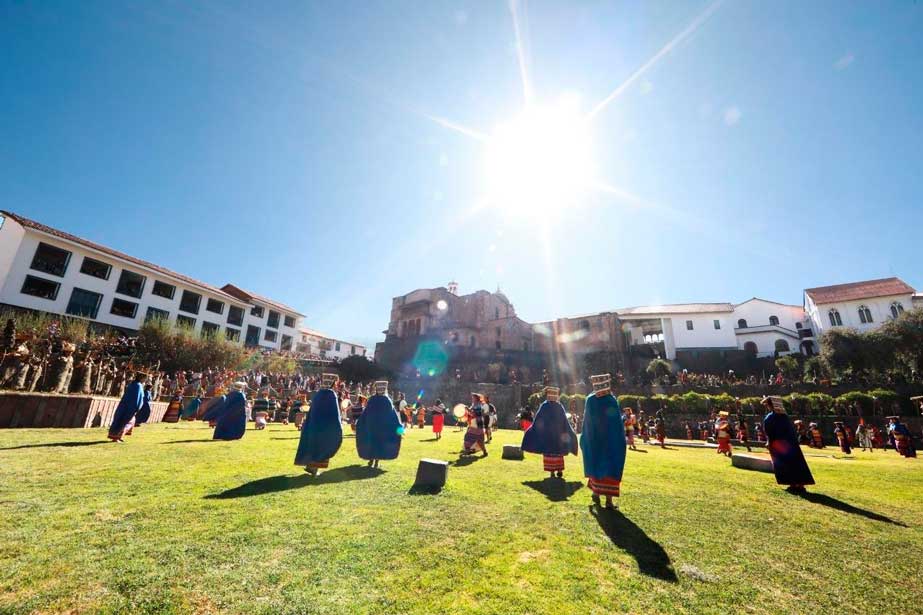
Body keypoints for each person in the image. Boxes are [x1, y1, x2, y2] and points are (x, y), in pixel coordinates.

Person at [581, 374, 627, 510]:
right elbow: (617, 424)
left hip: (595, 440)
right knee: (610, 467)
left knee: (596, 464)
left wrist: (586, 438)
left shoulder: (590, 400)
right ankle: (608, 501)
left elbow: (587, 423)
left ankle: (596, 492)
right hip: (610, 441)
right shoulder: (611, 400)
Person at [521, 386, 578, 478]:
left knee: (549, 453)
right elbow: (565, 421)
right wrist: (570, 431)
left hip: (547, 436)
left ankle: (552, 472)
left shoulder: (544, 406)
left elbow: (537, 420)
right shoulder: (559, 406)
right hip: (558, 436)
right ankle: (559, 470)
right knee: (558, 453)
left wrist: (531, 430)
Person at [762, 396, 814, 493]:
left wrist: (769, 442)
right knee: (795, 463)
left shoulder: (770, 417)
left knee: (785, 463)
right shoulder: (784, 416)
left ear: (770, 405)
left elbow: (769, 431)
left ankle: (793, 483)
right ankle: (799, 484)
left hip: (778, 444)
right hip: (791, 443)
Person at [295, 374, 344, 475]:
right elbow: (334, 412)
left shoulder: (319, 394)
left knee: (314, 445)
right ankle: (314, 469)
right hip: (325, 427)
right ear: (332, 383)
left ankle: (310, 466)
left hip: (314, 425)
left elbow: (313, 411)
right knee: (323, 446)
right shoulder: (331, 394)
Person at [356, 381, 403, 469]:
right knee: (380, 444)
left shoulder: (372, 399)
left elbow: (366, 413)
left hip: (372, 427)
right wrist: (399, 426)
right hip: (383, 429)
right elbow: (392, 415)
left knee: (372, 443)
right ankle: (376, 462)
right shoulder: (387, 400)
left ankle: (371, 460)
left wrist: (360, 423)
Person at [107, 372, 146, 443]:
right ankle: (116, 437)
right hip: (130, 407)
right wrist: (137, 407)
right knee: (126, 422)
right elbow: (138, 398)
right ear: (141, 378)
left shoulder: (132, 384)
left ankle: (118, 436)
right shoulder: (138, 386)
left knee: (126, 421)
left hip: (124, 406)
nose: (144, 380)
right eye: (144, 378)